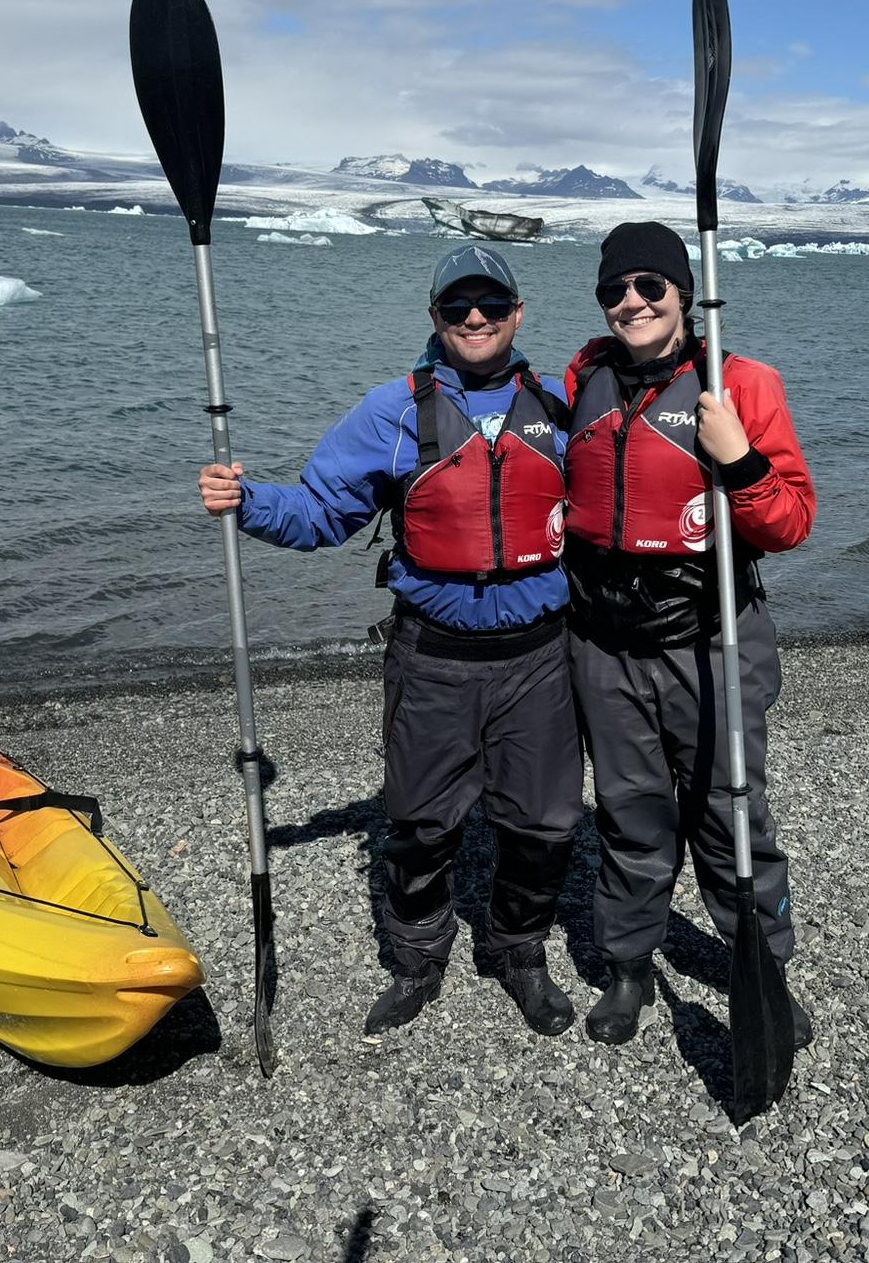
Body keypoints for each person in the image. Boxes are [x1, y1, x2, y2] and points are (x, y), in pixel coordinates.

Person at [198, 244, 582, 1038]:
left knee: (543, 825)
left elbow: (627, 492)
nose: (474, 317)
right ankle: (417, 962)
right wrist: (247, 501)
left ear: (517, 314)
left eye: (491, 304)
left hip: (540, 657)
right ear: (435, 317)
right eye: (456, 305)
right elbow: (319, 512)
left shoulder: (559, 408)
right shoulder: (392, 413)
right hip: (433, 656)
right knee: (420, 825)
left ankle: (518, 953)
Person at [562, 221, 817, 1046]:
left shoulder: (741, 384)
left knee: (729, 812)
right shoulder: (585, 375)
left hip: (709, 637)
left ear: (684, 294)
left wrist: (738, 459)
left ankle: (761, 964)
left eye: (650, 286)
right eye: (615, 290)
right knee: (629, 811)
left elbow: (790, 522)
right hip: (605, 640)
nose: (631, 302)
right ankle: (630, 964)